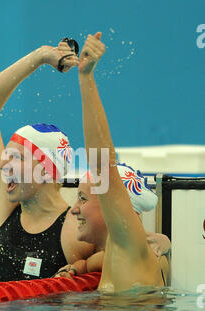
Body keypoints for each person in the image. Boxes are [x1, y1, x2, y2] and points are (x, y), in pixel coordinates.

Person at [0, 40, 96, 283]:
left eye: (16, 158)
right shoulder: (2, 206)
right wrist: (39, 57)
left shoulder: (73, 228)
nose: (3, 165)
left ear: (47, 169)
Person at [61, 32, 170, 291]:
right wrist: (83, 266)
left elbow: (101, 163)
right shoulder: (136, 251)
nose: (74, 209)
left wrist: (86, 79)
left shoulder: (128, 245)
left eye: (84, 198)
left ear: (115, 203)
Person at [54, 163, 170, 281]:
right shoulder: (108, 256)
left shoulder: (136, 258)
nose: (73, 210)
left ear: (112, 208)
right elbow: (86, 265)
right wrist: (73, 269)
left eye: (83, 199)